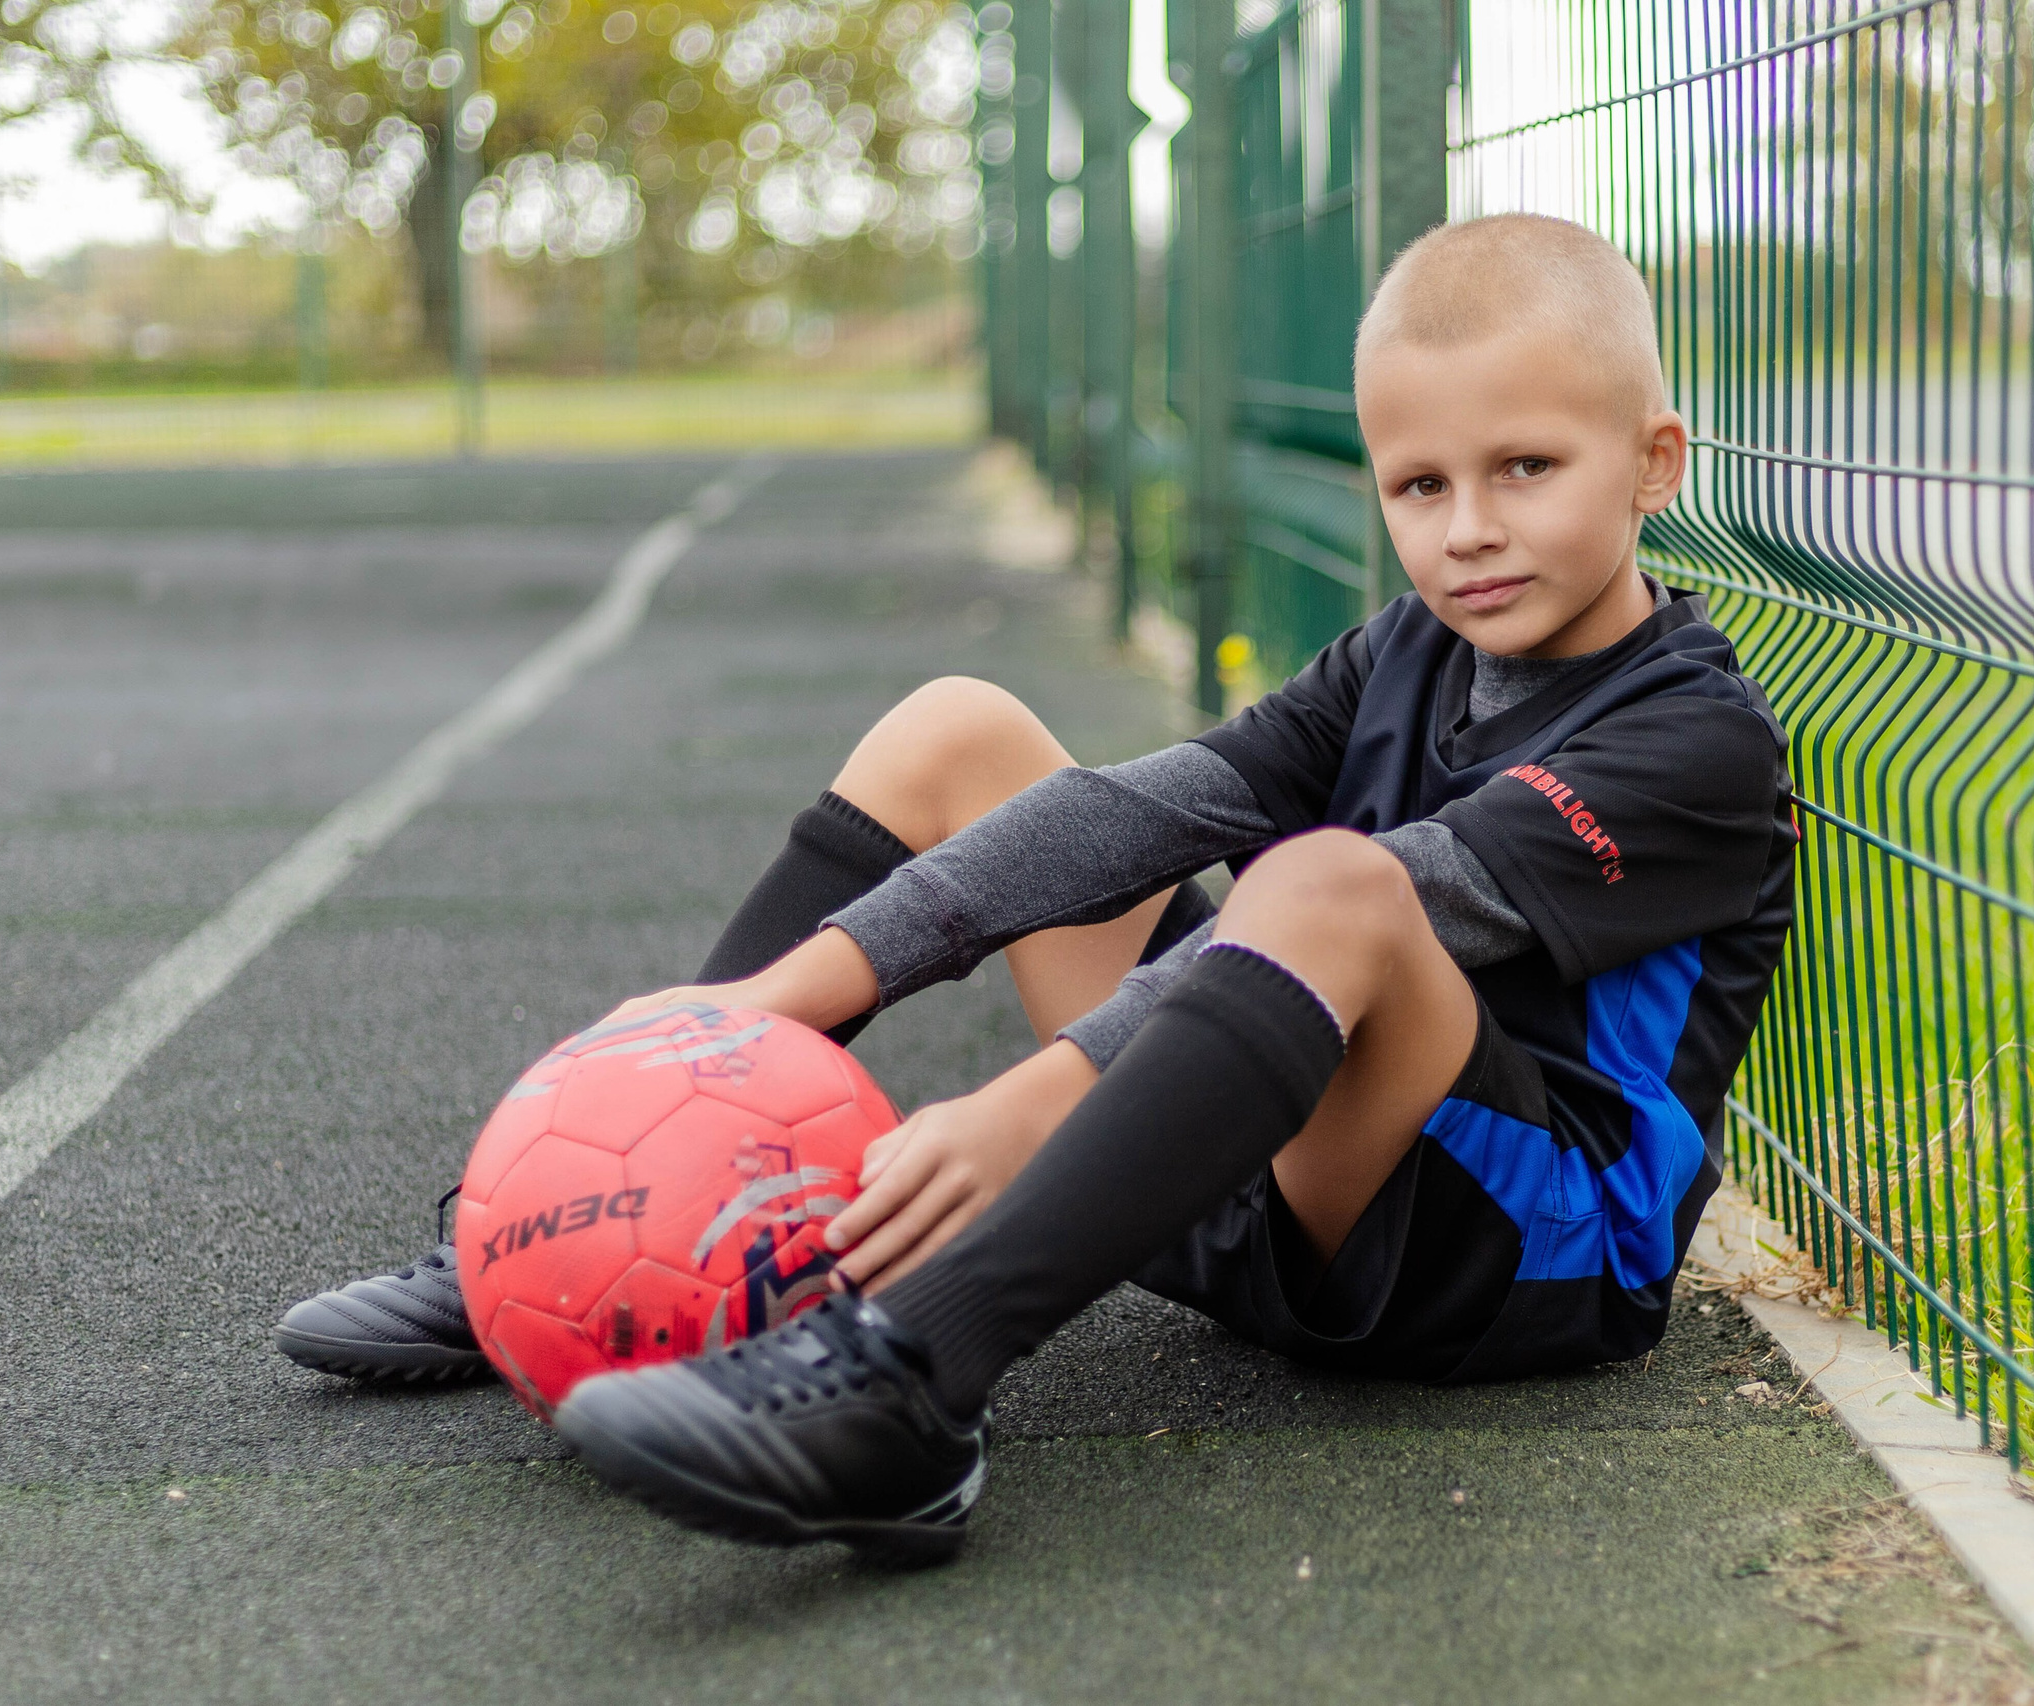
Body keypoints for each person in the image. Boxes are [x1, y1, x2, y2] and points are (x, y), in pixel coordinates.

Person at [275, 212, 1798, 1566]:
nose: (1467, 528)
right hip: (1251, 1170)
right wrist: (781, 993)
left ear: (1654, 460)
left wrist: (1030, 1104)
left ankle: (913, 1384)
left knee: (1334, 884)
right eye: (1419, 484)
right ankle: (567, 1241)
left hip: (1508, 1255)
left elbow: (1385, 905)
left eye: (1525, 468)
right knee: (963, 731)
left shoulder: (1697, 741)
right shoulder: (1404, 648)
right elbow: (1146, 812)